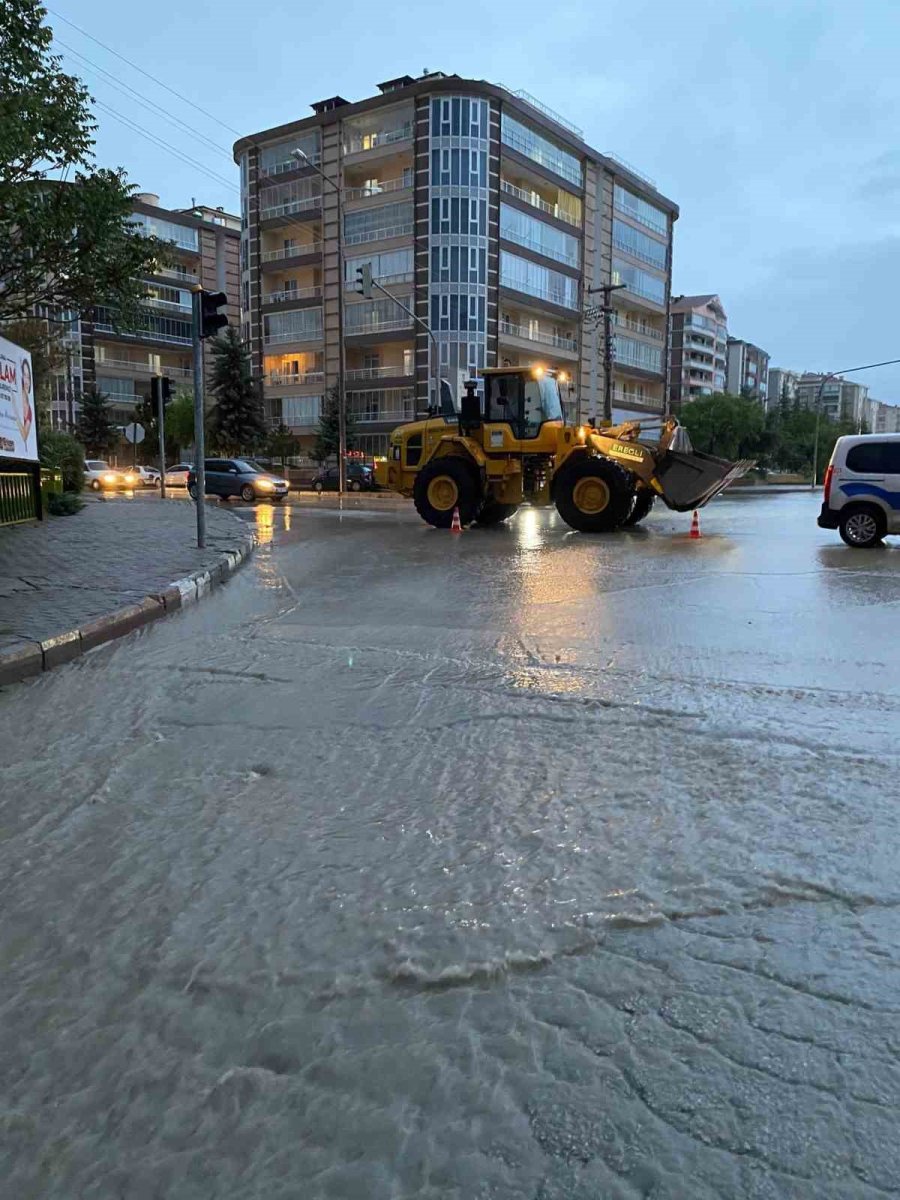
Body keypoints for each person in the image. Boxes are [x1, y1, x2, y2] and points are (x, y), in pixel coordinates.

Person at [17, 358, 33, 445]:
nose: (26, 381)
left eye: (28, 377)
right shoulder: (16, 395)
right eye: (24, 375)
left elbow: (24, 436)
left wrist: (16, 413)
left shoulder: (30, 412)